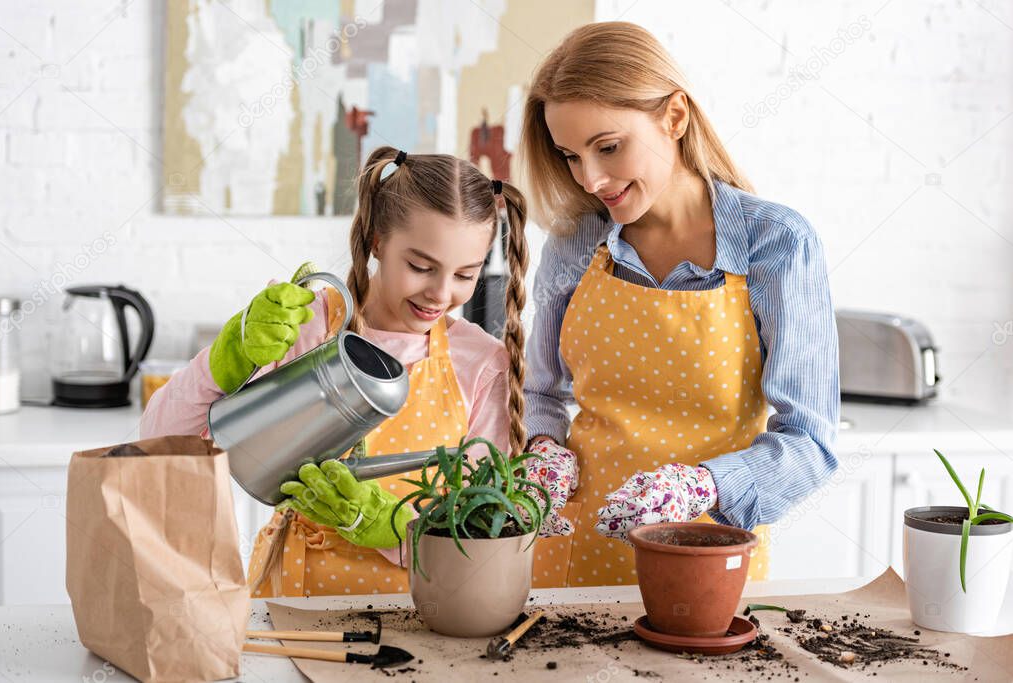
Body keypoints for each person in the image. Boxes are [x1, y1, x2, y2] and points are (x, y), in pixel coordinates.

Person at [519, 22, 840, 587]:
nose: (591, 179)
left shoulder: (778, 245)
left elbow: (810, 444)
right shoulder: (575, 243)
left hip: (710, 555)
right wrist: (543, 451)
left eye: (608, 147)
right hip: (577, 557)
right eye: (571, 156)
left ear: (674, 116)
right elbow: (540, 391)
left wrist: (701, 487)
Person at [140, 147, 530, 596]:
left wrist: (389, 525)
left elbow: (478, 532)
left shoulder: (480, 363)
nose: (441, 294)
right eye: (421, 267)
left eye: (466, 274)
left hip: (420, 613)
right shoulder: (307, 326)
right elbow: (157, 443)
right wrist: (229, 355)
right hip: (292, 599)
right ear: (378, 241)